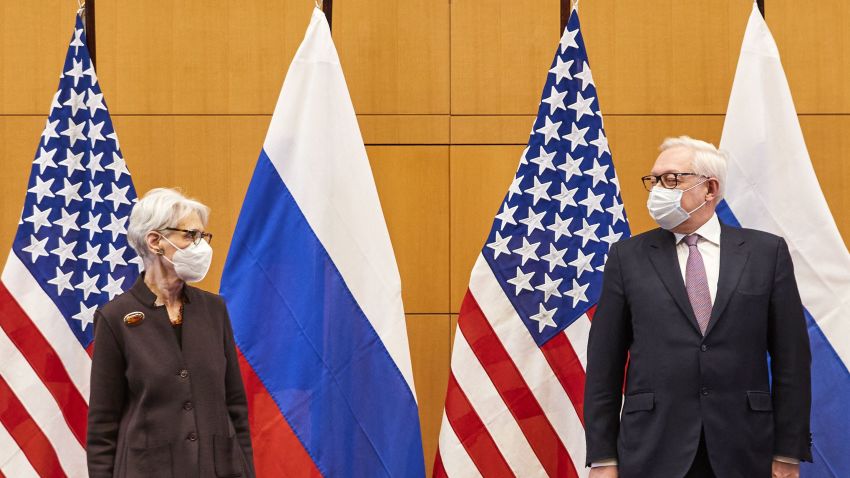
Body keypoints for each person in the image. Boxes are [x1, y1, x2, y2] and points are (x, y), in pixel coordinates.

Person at [584, 137, 811, 478]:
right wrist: (603, 458)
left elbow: (791, 360)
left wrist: (788, 452)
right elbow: (604, 364)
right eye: (655, 180)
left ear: (710, 188)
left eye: (671, 179)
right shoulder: (627, 257)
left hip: (745, 447)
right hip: (653, 447)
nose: (658, 189)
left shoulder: (766, 253)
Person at [87, 188, 255, 478]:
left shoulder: (214, 309)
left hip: (217, 468)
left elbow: (235, 405)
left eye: (203, 236)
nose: (200, 245)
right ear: (155, 242)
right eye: (190, 235)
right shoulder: (115, 317)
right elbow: (103, 424)